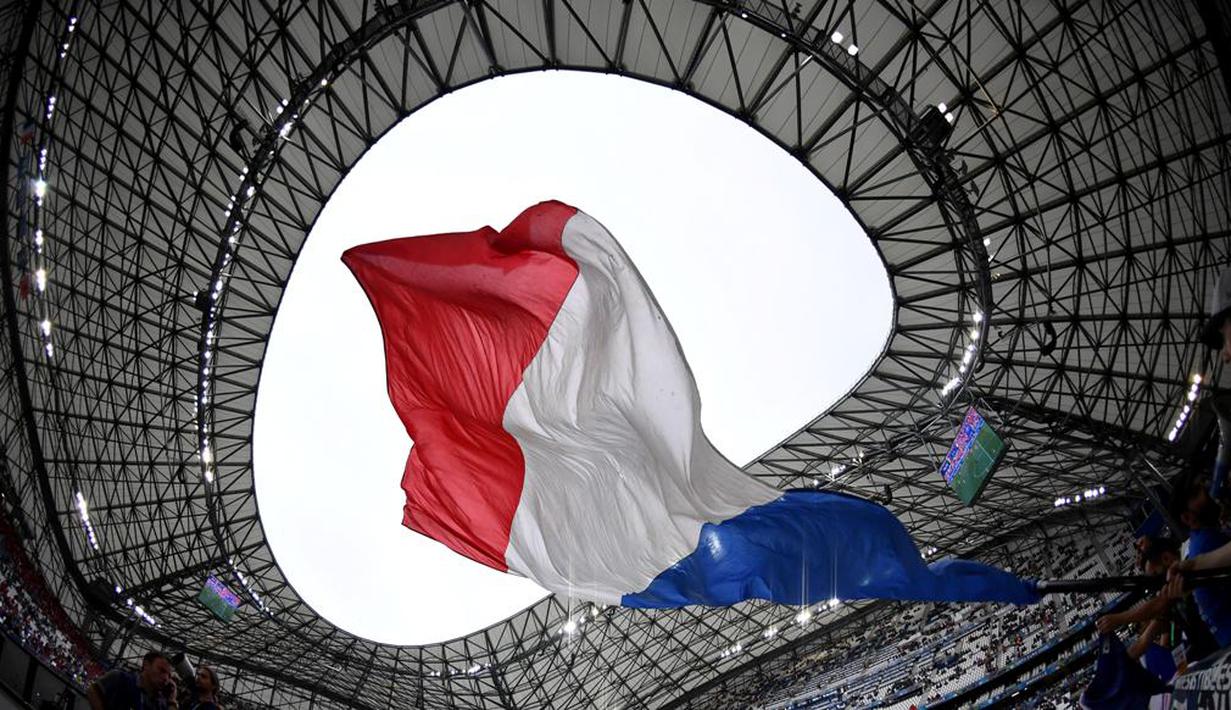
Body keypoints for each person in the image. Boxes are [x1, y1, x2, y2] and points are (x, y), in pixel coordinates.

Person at [88, 651, 175, 710]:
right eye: (162, 670)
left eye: (169, 675)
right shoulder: (120, 678)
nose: (165, 678)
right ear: (146, 665)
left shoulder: (160, 704)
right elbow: (92, 690)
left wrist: (172, 701)